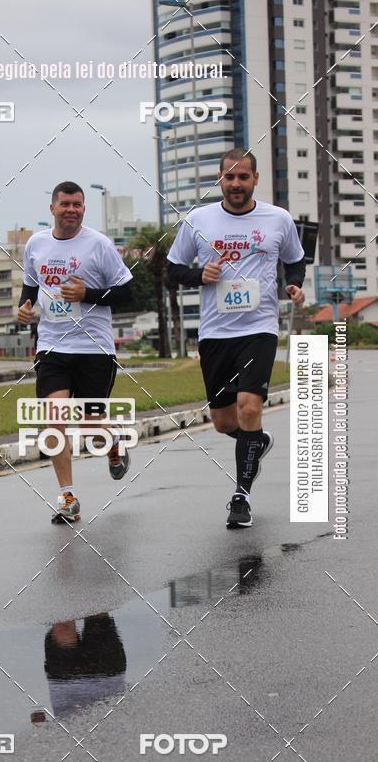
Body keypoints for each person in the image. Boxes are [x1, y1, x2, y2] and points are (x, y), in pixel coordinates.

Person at [167, 149, 306, 529]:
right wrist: (200, 276)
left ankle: (241, 497)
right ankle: (255, 442)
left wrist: (294, 284)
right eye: (229, 177)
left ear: (255, 179)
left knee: (249, 407)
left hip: (259, 329)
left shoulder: (277, 219)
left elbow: (295, 259)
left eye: (243, 177)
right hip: (215, 333)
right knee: (225, 422)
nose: (236, 184)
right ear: (220, 180)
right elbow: (173, 268)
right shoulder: (199, 220)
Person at [17, 181, 133, 524]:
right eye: (65, 204)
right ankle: (67, 497)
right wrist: (23, 310)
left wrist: (88, 293)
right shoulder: (36, 244)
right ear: (52, 207)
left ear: (84, 209)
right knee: (55, 419)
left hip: (94, 349)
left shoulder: (99, 245)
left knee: (88, 424)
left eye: (78, 205)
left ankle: (113, 444)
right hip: (52, 346)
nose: (72, 210)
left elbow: (128, 294)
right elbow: (30, 289)